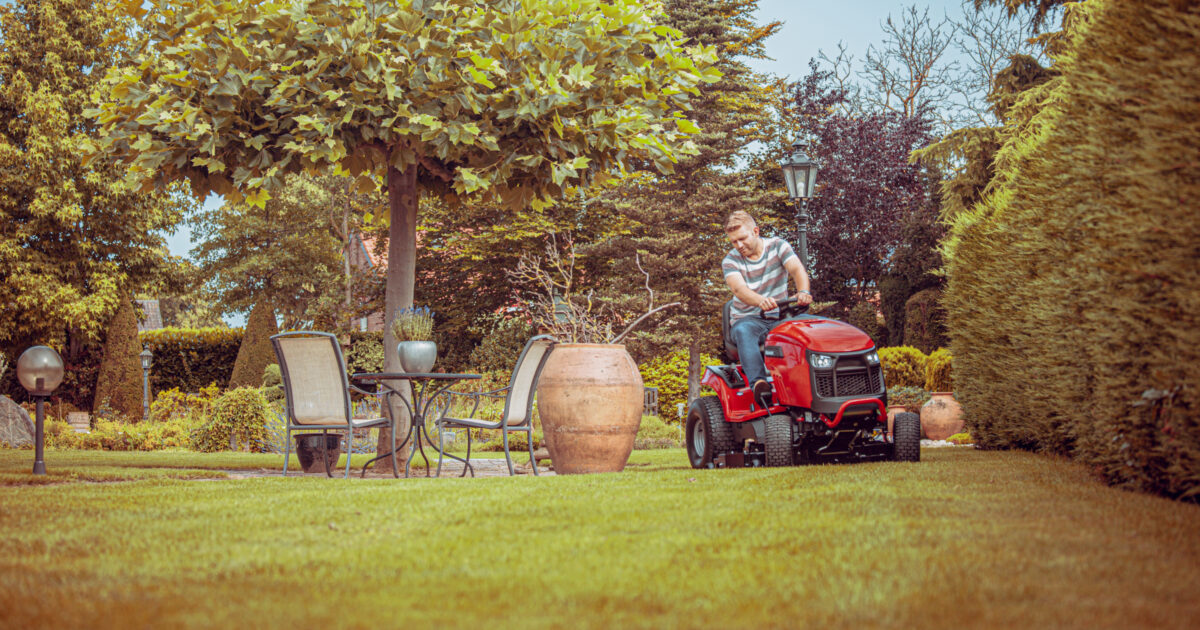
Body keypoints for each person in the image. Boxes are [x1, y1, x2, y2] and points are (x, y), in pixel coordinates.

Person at [721, 210, 812, 407]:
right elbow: (739, 289)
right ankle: (759, 385)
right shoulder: (731, 261)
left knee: (809, 327)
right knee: (744, 331)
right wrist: (760, 301)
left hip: (780, 317)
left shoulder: (778, 246)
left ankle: (810, 383)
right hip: (748, 319)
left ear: (756, 231)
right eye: (734, 242)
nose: (739, 245)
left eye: (742, 239)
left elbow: (797, 269)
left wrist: (803, 291)